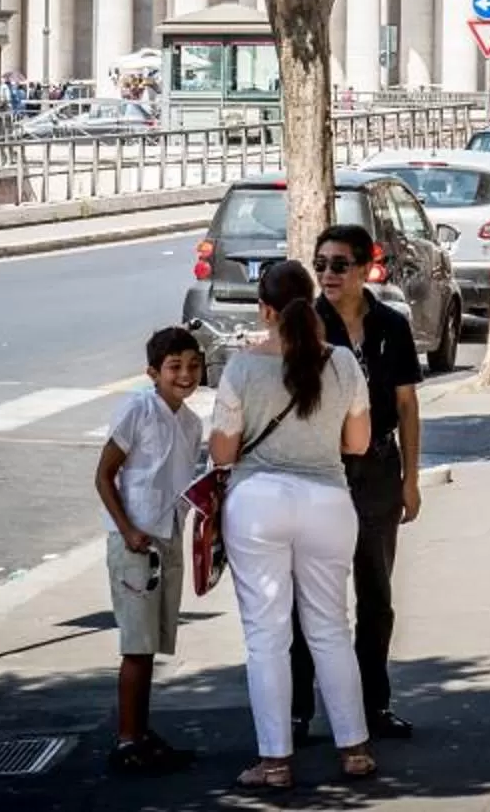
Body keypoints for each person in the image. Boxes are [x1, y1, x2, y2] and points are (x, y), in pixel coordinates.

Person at [208, 258, 377, 790]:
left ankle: (275, 761)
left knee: (267, 636)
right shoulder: (344, 364)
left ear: (265, 310)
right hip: (328, 500)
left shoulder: (241, 367)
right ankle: (354, 749)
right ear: (311, 302)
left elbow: (223, 452)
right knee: (330, 629)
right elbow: (358, 444)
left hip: (257, 502)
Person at [289, 223, 422, 743]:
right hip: (322, 471)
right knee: (311, 600)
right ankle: (300, 711)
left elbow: (408, 406)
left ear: (367, 267)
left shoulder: (392, 323)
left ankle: (374, 706)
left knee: (376, 594)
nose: (327, 274)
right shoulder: (308, 326)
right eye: (320, 264)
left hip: (378, 473)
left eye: (339, 264)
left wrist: (411, 480)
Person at [93, 327, 207, 775]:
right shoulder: (137, 410)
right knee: (136, 645)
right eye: (175, 367)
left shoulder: (192, 423)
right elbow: (104, 475)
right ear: (153, 372)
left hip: (167, 536)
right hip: (136, 541)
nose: (185, 375)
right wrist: (127, 530)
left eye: (193, 366)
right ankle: (127, 740)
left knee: (154, 640)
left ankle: (141, 732)